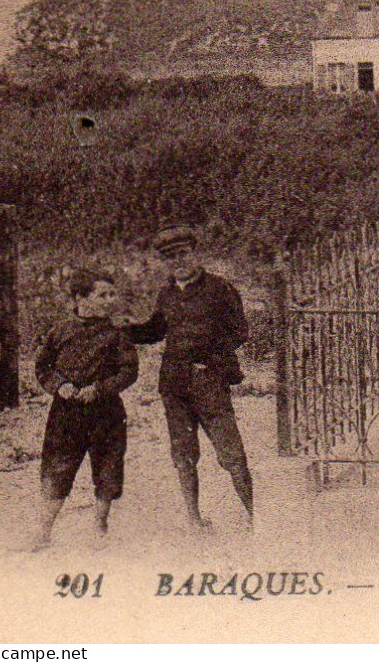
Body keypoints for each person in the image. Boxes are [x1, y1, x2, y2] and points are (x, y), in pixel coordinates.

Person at [129, 226, 254, 531]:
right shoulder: (167, 294)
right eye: (170, 258)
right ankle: (194, 519)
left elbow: (239, 332)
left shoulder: (220, 290)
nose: (178, 262)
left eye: (183, 254)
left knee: (231, 453)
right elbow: (156, 331)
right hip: (174, 385)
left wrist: (209, 360)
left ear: (196, 253)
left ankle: (255, 516)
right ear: (163, 262)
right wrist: (124, 330)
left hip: (209, 383)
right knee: (183, 455)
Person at [30, 269, 138, 551]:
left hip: (107, 413)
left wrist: (100, 389)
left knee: (108, 467)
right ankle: (43, 532)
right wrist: (60, 385)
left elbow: (129, 371)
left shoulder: (117, 335)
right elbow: (43, 367)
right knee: (57, 468)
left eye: (112, 294)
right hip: (66, 413)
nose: (110, 301)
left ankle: (100, 527)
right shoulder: (60, 331)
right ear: (80, 298)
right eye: (103, 295)